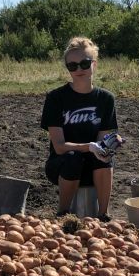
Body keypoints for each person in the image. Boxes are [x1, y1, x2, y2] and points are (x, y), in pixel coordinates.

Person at [41, 37, 119, 220]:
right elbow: (59, 147)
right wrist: (88, 147)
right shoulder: (55, 98)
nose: (79, 70)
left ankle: (103, 215)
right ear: (67, 68)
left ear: (94, 64)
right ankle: (63, 214)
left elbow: (102, 141)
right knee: (73, 158)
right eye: (72, 66)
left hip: (93, 166)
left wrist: (110, 144)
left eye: (84, 63)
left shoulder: (106, 99)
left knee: (105, 156)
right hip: (62, 164)